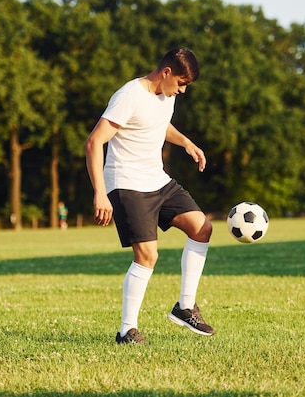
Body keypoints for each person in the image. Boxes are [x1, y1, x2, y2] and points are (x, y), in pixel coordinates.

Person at [84, 47, 214, 344]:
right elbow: (94, 142)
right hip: (127, 183)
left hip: (157, 179)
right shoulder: (129, 95)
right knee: (147, 255)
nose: (182, 90)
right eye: (181, 83)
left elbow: (157, 124)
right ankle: (126, 330)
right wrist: (100, 193)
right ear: (166, 72)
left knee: (201, 227)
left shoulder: (164, 97)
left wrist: (186, 143)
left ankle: (185, 307)